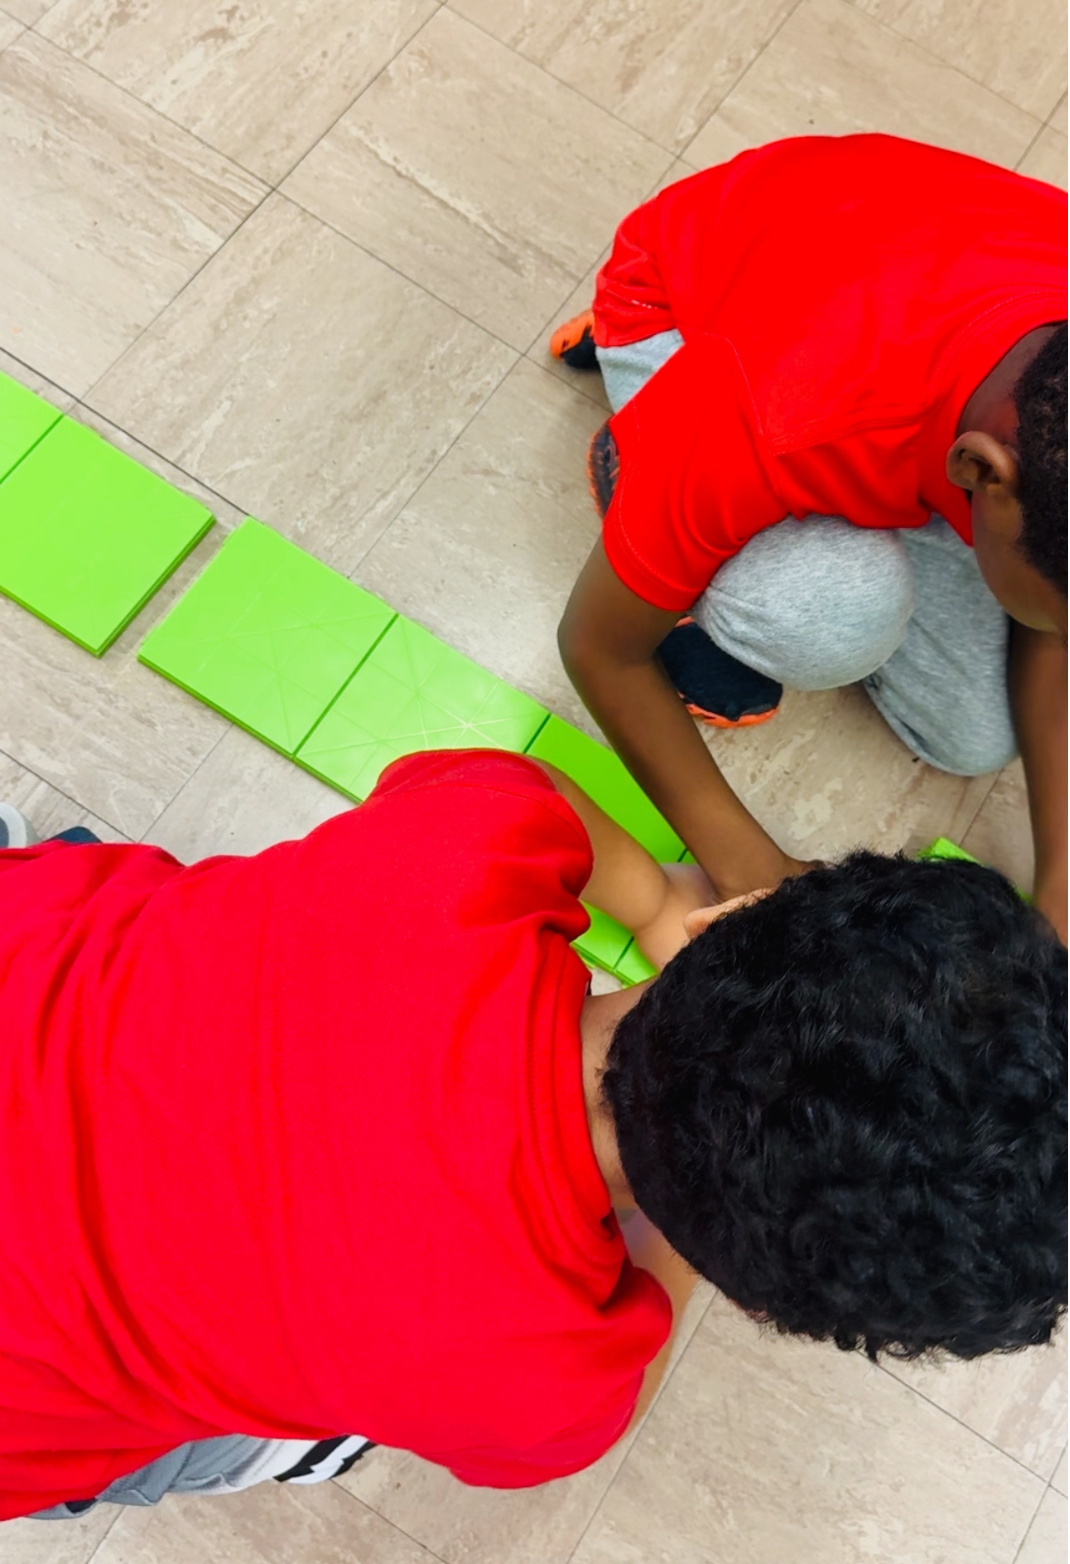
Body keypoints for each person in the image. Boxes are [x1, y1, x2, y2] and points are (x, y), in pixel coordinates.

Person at [1, 750, 1065, 1523]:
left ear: (725, 923)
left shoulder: (465, 842)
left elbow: (535, 791)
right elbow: (627, 1354)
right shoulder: (540, 1387)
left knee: (112, 908)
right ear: (746, 1293)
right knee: (267, 1437)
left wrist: (651, 900)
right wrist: (691, 1233)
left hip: (33, 943)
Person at [552, 135, 1069, 940]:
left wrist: (1062, 894)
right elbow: (597, 649)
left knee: (976, 738)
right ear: (984, 474)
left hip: (864, 297)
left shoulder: (1034, 418)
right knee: (828, 615)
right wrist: (758, 878)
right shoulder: (770, 408)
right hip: (686, 312)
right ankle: (638, 452)